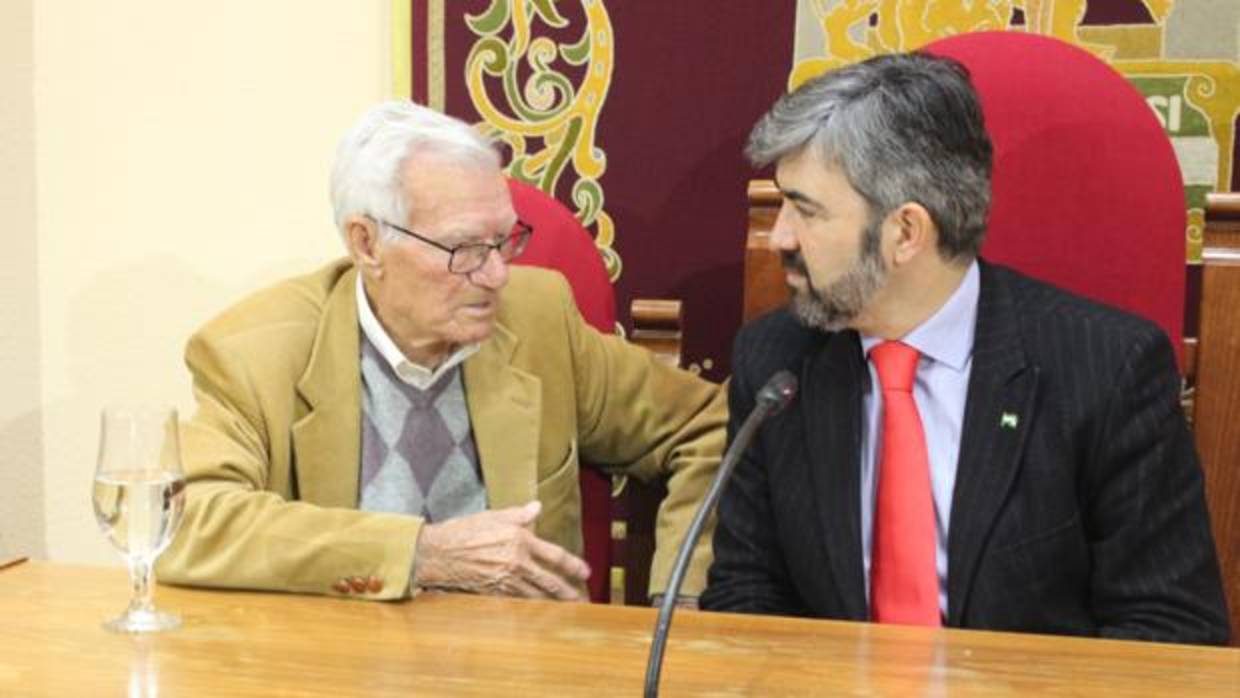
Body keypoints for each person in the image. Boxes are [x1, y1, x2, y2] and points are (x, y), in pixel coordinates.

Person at [699, 52, 1230, 644]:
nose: (781, 237)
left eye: (806, 210)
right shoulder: (776, 362)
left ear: (905, 233)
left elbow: (1172, 630)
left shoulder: (1107, 369)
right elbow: (745, 596)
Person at [157, 101, 726, 604]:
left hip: (522, 670)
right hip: (340, 672)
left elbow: (707, 425)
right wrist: (419, 553)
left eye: (504, 240)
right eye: (463, 249)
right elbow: (185, 523)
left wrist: (683, 600)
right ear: (367, 243)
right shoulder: (258, 352)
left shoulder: (539, 318)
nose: (498, 273)